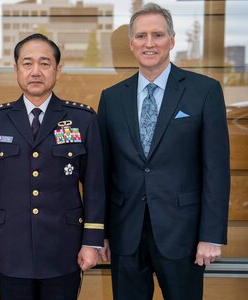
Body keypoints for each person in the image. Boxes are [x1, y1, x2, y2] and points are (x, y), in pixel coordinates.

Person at [97, 3, 230, 299]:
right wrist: (101, 232)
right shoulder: (111, 98)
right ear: (131, 44)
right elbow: (104, 173)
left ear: (171, 40)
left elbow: (216, 170)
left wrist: (210, 235)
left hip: (183, 235)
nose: (149, 43)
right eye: (141, 36)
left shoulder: (204, 91)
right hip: (126, 234)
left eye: (157, 35)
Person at [0, 33, 105, 300]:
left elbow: (95, 186)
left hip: (63, 248)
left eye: (45, 64)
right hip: (11, 248)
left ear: (58, 69)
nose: (36, 71)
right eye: (27, 63)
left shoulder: (82, 119)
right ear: (16, 69)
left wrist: (91, 242)